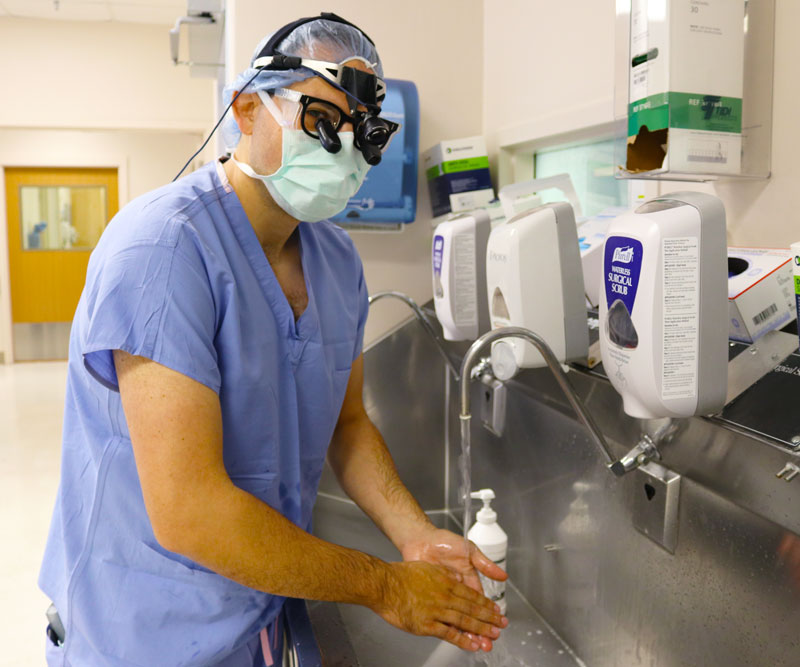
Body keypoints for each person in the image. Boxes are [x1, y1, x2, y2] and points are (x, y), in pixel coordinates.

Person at [39, 13, 507, 666]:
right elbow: (188, 510)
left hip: (255, 613)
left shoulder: (336, 262)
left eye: (363, 134)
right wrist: (382, 585)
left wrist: (415, 534)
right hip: (140, 633)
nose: (344, 149)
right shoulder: (165, 248)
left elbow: (347, 425)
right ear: (247, 111)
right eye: (321, 120)